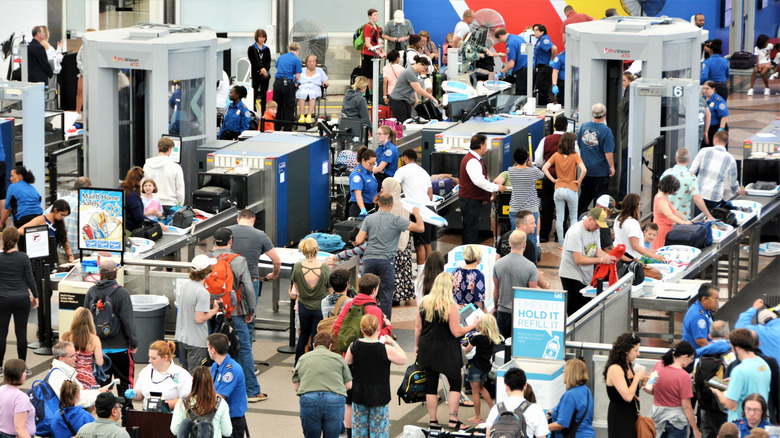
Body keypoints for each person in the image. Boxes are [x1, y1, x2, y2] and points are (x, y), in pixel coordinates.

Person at [416, 272, 480, 430]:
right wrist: (473, 325)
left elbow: (418, 327)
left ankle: (432, 421)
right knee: (456, 383)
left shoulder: (424, 302)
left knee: (431, 385)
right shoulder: (450, 306)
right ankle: (453, 419)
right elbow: (456, 332)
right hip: (446, 350)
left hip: (427, 347)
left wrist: (417, 346)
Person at [209, 228, 262, 402]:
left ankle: (215, 388)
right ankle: (252, 390)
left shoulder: (207, 258)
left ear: (215, 241)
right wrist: (251, 310)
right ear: (231, 241)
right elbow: (248, 287)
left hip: (211, 311)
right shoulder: (238, 260)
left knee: (213, 349)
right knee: (244, 348)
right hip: (235, 310)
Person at [355, 193, 423, 319]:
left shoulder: (369, 219)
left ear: (379, 203)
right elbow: (420, 228)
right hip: (386, 261)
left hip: (369, 260)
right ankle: (386, 328)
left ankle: (363, 324)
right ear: (392, 204)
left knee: (365, 294)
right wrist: (416, 213)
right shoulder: (397, 220)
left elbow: (358, 240)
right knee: (386, 295)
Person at [83, 259, 137, 407]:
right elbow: (128, 320)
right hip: (120, 348)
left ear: (99, 273)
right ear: (116, 272)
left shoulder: (91, 292)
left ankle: (103, 416)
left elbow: (85, 321)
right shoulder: (122, 293)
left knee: (101, 388)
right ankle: (128, 418)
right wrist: (133, 343)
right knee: (125, 386)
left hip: (99, 350)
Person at [345, 314, 407, 437]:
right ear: (378, 328)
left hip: (359, 394)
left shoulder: (354, 346)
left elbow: (346, 363)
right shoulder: (385, 349)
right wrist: (393, 342)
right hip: (380, 396)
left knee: (359, 432)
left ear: (361, 329)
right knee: (378, 432)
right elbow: (403, 359)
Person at [228, 208, 280, 335]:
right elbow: (277, 260)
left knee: (229, 318)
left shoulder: (228, 232)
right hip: (250, 281)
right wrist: (274, 274)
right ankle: (246, 350)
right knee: (249, 320)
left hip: (229, 282)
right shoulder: (260, 234)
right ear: (253, 220)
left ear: (238, 219)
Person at [292, 332, 353, 438]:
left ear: (314, 346)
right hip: (334, 400)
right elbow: (348, 385)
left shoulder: (303, 358)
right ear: (330, 346)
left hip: (309, 400)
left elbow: (296, 387)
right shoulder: (338, 358)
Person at [559, 209, 617, 315]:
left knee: (588, 309)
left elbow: (597, 251)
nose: (598, 227)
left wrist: (609, 257)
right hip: (572, 276)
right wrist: (601, 260)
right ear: (590, 219)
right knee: (576, 311)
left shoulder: (595, 230)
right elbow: (579, 260)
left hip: (586, 275)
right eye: (597, 224)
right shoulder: (575, 232)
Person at [711, 329, 772, 422]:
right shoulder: (763, 365)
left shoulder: (739, 370)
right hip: (761, 422)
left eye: (732, 347)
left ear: (738, 348)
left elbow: (730, 404)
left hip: (742, 424)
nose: (732, 350)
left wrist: (717, 392)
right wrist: (735, 381)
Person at [643, 341, 701, 438]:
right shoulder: (684, 376)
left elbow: (648, 387)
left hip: (657, 417)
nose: (691, 362)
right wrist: (695, 429)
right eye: (691, 359)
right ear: (685, 357)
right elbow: (686, 406)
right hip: (676, 420)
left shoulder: (659, 365)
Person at [175, 254, 220, 373]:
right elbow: (199, 318)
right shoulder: (202, 292)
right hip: (196, 341)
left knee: (185, 374)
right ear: (207, 271)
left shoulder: (185, 285)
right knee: (196, 376)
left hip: (182, 337)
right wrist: (214, 310)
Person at [0, 228, 38, 367]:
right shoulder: (23, 257)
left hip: (3, 298)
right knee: (21, 334)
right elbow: (30, 278)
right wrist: (36, 296)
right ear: (17, 241)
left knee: (2, 333)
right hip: (22, 298)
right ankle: (23, 366)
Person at [460, 134, 506, 245]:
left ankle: (470, 252)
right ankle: (469, 254)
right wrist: (496, 187)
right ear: (481, 145)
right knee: (470, 229)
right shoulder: (472, 161)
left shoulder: (473, 159)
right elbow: (479, 181)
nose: (486, 148)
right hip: (470, 201)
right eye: (485, 145)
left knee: (471, 228)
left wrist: (483, 196)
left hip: (472, 200)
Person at [290, 237, 331, 363]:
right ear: (317, 250)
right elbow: (330, 290)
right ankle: (313, 364)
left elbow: (296, 288)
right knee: (316, 336)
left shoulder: (297, 267)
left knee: (303, 335)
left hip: (303, 306)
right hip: (320, 307)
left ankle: (298, 363)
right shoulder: (324, 268)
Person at [542, 131, 586, 248]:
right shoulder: (575, 156)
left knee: (559, 218)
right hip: (571, 188)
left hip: (558, 188)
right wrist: (579, 181)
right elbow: (584, 170)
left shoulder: (556, 155)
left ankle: (561, 244)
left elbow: (544, 168)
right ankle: (573, 243)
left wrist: (553, 180)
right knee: (573, 218)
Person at [393, 149, 434, 270]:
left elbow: (393, 188)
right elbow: (430, 194)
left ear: (405, 158)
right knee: (427, 243)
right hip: (429, 207)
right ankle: (430, 271)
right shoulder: (424, 172)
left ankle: (421, 275)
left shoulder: (402, 170)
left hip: (417, 210)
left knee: (419, 244)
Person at [493, 231, 538, 338]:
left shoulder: (498, 264)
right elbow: (533, 293)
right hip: (522, 313)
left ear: (509, 243)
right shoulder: (531, 266)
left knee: (502, 346)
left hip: (503, 311)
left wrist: (495, 308)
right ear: (524, 245)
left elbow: (496, 290)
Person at [125, 340, 192, 411]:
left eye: (153, 358)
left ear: (165, 357)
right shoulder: (146, 371)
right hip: (146, 414)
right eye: (149, 357)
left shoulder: (181, 374)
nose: (150, 361)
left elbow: (186, 400)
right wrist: (134, 394)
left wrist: (162, 406)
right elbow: (140, 395)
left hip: (170, 415)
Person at [485, 367, 550, 438]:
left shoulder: (496, 408)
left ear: (507, 386)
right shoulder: (535, 409)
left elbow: (488, 435)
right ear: (525, 386)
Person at [690, 130, 746, 212]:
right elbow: (732, 183)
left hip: (700, 194)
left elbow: (692, 171)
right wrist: (738, 190)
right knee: (713, 222)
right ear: (726, 142)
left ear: (715, 139)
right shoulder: (730, 159)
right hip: (715, 197)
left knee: (699, 222)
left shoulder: (703, 151)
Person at [170, 366, 232, 438]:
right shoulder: (221, 403)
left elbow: (174, 430)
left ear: (193, 381)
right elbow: (227, 432)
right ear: (211, 382)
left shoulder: (183, 402)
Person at [576, 104, 615, 216]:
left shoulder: (584, 127)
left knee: (584, 198)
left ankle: (579, 219)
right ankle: (597, 222)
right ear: (605, 114)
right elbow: (608, 152)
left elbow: (578, 144)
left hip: (586, 170)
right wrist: (612, 167)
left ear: (592, 114)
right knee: (600, 201)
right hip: (601, 172)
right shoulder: (606, 131)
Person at [464, 314, 503, 424]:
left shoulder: (477, 338)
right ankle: (493, 409)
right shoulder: (491, 338)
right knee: (482, 388)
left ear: (483, 326)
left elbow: (467, 350)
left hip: (476, 366)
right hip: (485, 367)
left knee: (475, 392)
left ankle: (477, 416)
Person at [605, 333, 646, 438]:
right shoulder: (615, 369)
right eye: (636, 350)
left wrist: (642, 383)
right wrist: (636, 378)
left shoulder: (628, 365)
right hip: (620, 416)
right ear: (626, 351)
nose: (638, 354)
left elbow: (630, 391)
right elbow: (627, 396)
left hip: (631, 414)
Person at [381, 178, 415, 304]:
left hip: (391, 243)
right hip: (404, 242)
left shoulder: (388, 205)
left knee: (392, 270)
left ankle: (392, 296)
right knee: (403, 270)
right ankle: (403, 294)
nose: (382, 190)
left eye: (383, 187)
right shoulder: (404, 203)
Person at [208, 333, 248, 438]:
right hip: (217, 417)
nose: (207, 350)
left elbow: (219, 398)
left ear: (213, 350)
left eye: (208, 347)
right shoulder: (215, 366)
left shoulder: (232, 370)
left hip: (232, 420)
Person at [659, 148, 715, 221]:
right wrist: (709, 215)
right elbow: (697, 198)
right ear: (688, 160)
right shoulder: (691, 177)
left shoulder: (666, 173)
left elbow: (659, 195)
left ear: (676, 159)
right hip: (681, 219)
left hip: (664, 216)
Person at [506, 147, 544, 249]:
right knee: (531, 238)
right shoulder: (532, 172)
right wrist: (531, 165)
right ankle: (531, 262)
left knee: (516, 238)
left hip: (515, 208)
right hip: (531, 210)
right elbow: (542, 174)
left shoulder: (511, 170)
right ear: (527, 158)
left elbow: (516, 167)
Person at [48, 341, 105, 408]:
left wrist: (99, 391)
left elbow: (80, 393)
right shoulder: (58, 376)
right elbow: (76, 399)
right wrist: (98, 393)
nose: (75, 358)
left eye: (75, 355)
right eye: (72, 356)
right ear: (61, 358)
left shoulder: (65, 372)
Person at [548, 359, 595, 438]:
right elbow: (577, 413)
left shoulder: (570, 395)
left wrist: (541, 428)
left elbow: (562, 423)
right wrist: (554, 412)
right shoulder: (586, 390)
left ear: (571, 374)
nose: (563, 374)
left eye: (565, 371)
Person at [61, 307, 105, 389]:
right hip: (87, 378)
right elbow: (100, 362)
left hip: (69, 376)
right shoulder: (94, 339)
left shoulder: (66, 336)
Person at [613, 193, 665, 262]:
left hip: (621, 256)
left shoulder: (618, 218)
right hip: (632, 258)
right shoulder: (632, 222)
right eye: (640, 204)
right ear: (636, 206)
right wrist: (654, 256)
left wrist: (649, 251)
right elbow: (635, 246)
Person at [388, 56, 438, 123]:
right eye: (424, 68)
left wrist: (416, 99)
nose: (424, 70)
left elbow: (413, 87)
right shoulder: (410, 72)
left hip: (404, 100)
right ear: (420, 64)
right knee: (402, 123)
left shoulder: (414, 72)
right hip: (398, 100)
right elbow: (419, 90)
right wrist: (433, 98)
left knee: (407, 122)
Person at [142, 137, 185, 212]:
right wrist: (179, 206)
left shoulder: (147, 165)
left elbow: (142, 186)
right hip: (170, 205)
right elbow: (180, 191)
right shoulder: (176, 167)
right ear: (169, 149)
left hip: (151, 205)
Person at [653, 175, 693, 250]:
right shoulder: (662, 201)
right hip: (662, 230)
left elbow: (674, 211)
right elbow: (670, 215)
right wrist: (683, 222)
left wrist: (685, 219)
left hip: (664, 228)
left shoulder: (661, 196)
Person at [0, 359, 35, 438]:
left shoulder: (1, 389)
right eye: (24, 372)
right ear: (19, 374)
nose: (26, 374)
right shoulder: (21, 398)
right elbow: (20, 429)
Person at [1, 166, 42, 232]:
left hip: (23, 218)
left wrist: (1, 222)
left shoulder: (12, 187)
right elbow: (38, 201)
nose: (10, 178)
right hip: (39, 217)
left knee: (22, 240)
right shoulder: (32, 188)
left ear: (20, 176)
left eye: (12, 176)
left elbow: (8, 209)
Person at [273, 43, 303, 131]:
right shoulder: (297, 60)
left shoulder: (281, 57)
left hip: (277, 83)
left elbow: (278, 69)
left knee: (278, 106)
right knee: (289, 106)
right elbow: (297, 77)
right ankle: (287, 128)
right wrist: (296, 82)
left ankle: (277, 127)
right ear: (297, 50)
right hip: (288, 84)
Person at [682, 283, 719, 349]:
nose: (716, 302)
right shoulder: (698, 316)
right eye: (715, 299)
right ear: (704, 299)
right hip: (696, 354)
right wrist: (718, 350)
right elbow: (702, 342)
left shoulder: (704, 308)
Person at [494, 28, 529, 96]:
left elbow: (511, 64)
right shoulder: (519, 38)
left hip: (522, 70)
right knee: (526, 93)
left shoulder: (510, 43)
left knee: (520, 94)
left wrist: (501, 72)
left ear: (500, 36)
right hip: (529, 68)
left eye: (499, 40)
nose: (500, 41)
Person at [360, 9, 384, 101]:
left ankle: (371, 94)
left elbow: (377, 41)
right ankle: (364, 95)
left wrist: (382, 51)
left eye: (377, 15)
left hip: (374, 54)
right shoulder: (368, 27)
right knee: (366, 76)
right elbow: (368, 43)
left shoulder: (377, 27)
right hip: (367, 54)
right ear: (370, 16)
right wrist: (378, 52)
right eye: (374, 15)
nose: (376, 17)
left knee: (373, 76)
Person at [296, 54, 329, 124]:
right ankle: (301, 116)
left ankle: (309, 116)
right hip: (303, 87)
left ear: (316, 62)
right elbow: (296, 80)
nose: (312, 63)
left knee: (312, 94)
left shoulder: (320, 70)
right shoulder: (302, 70)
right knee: (302, 94)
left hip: (315, 87)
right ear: (306, 63)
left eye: (313, 61)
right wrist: (296, 83)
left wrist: (324, 83)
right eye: (310, 61)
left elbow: (326, 82)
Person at [452, 245, 486, 311]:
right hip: (471, 313)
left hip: (455, 310)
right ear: (478, 258)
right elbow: (479, 300)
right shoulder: (478, 275)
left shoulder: (456, 272)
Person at [348, 147, 378, 218]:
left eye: (374, 164)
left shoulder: (370, 173)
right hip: (359, 207)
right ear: (363, 160)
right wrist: (363, 209)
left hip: (371, 206)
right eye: (370, 163)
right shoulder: (357, 175)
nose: (372, 166)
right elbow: (357, 194)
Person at [247, 28, 272, 114]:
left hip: (265, 75)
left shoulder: (267, 49)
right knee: (254, 94)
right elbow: (253, 62)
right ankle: (254, 112)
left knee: (264, 95)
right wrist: (261, 69)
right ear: (256, 37)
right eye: (260, 37)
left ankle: (264, 113)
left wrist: (265, 69)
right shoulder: (251, 48)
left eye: (263, 37)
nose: (262, 39)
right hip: (256, 75)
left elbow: (268, 61)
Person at [533, 24, 557, 106]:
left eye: (536, 30)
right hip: (541, 67)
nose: (534, 32)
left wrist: (552, 60)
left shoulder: (544, 39)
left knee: (542, 89)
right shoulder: (539, 40)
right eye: (534, 30)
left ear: (542, 31)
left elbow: (554, 48)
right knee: (540, 88)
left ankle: (545, 106)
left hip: (544, 67)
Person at [701, 81, 729, 148]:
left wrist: (721, 129)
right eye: (703, 88)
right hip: (705, 128)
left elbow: (724, 115)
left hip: (715, 128)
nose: (705, 90)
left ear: (713, 89)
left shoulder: (719, 100)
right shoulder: (702, 99)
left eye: (707, 88)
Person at [120, 166, 146, 233]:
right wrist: (156, 223)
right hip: (129, 229)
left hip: (120, 227)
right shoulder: (132, 195)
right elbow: (139, 217)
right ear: (139, 179)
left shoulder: (121, 188)